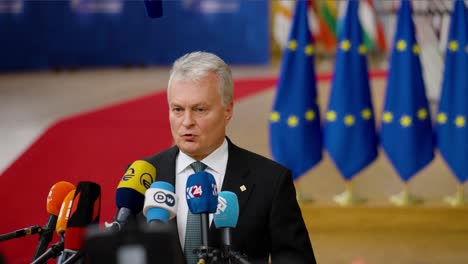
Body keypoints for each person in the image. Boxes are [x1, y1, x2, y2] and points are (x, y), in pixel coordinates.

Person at [142, 51, 316, 264]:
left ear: (228, 110)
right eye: (177, 109)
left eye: (199, 109)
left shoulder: (270, 181)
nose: (187, 121)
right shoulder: (144, 176)